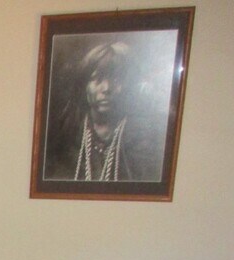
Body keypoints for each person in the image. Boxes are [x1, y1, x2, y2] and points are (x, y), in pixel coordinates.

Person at [43, 40, 165, 182]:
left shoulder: (144, 142)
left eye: (116, 79)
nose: (107, 88)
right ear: (84, 85)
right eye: (97, 79)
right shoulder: (65, 139)